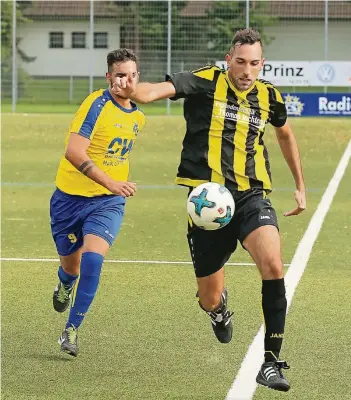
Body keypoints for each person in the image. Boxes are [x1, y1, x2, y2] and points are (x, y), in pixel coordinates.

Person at [112, 29, 306, 392]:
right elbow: (155, 92)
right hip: (208, 205)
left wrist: (299, 184)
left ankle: (271, 362)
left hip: (251, 196)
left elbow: (285, 134)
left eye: (254, 63)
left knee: (273, 264)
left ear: (262, 64)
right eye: (240, 62)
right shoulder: (206, 81)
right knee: (209, 296)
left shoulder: (269, 96)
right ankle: (218, 310)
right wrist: (131, 88)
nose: (247, 71)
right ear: (228, 60)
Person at [50, 48, 145, 357]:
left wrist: (114, 188)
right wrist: (112, 181)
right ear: (108, 77)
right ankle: (65, 282)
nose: (126, 81)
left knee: (93, 259)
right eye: (119, 74)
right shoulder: (95, 105)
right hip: (68, 199)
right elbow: (74, 152)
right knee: (72, 265)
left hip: (107, 202)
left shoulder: (138, 115)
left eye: (131, 75)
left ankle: (72, 329)